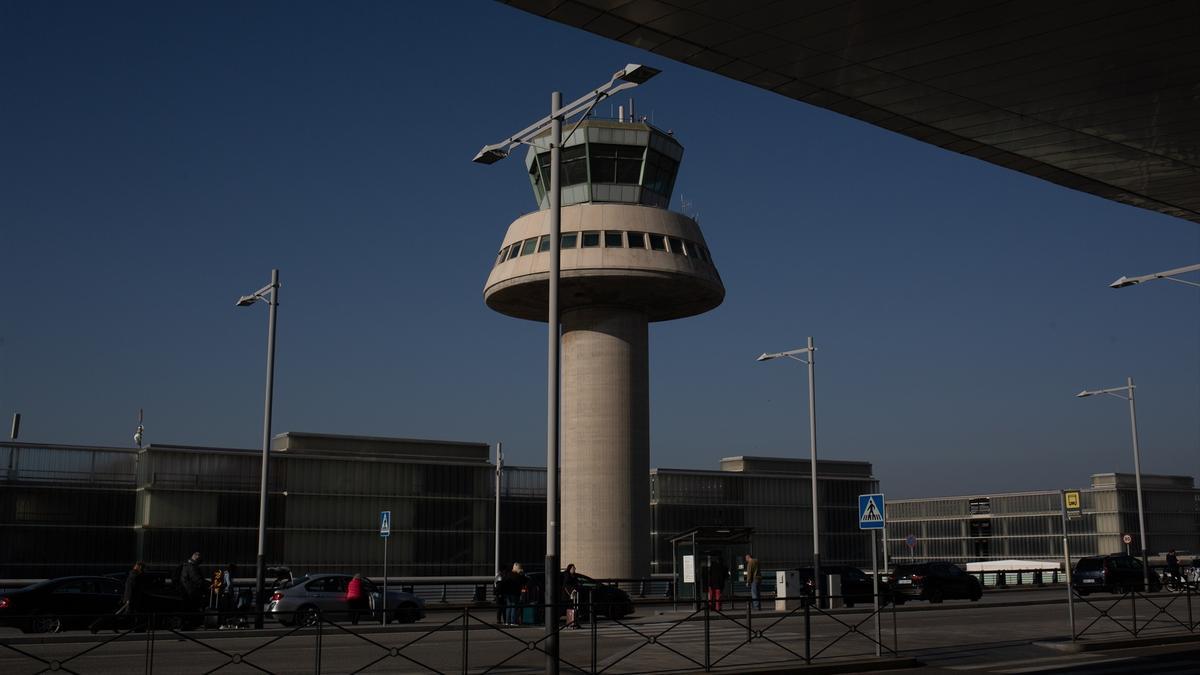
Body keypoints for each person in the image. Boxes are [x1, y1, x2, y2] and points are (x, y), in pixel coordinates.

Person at [91, 561, 144, 633]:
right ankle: (98, 626)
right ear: (139, 567)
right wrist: (128, 599)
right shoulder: (135, 576)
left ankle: (138, 628)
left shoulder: (133, 575)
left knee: (128, 614)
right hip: (130, 599)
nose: (143, 569)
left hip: (130, 599)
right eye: (143, 567)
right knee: (125, 615)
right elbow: (131, 588)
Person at [562, 564, 580, 629]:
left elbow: (577, 583)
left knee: (574, 608)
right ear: (570, 569)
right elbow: (566, 585)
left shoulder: (574, 576)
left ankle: (574, 622)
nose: (574, 569)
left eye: (574, 568)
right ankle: (570, 622)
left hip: (574, 594)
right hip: (568, 595)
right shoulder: (567, 575)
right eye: (573, 568)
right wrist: (572, 591)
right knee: (569, 608)